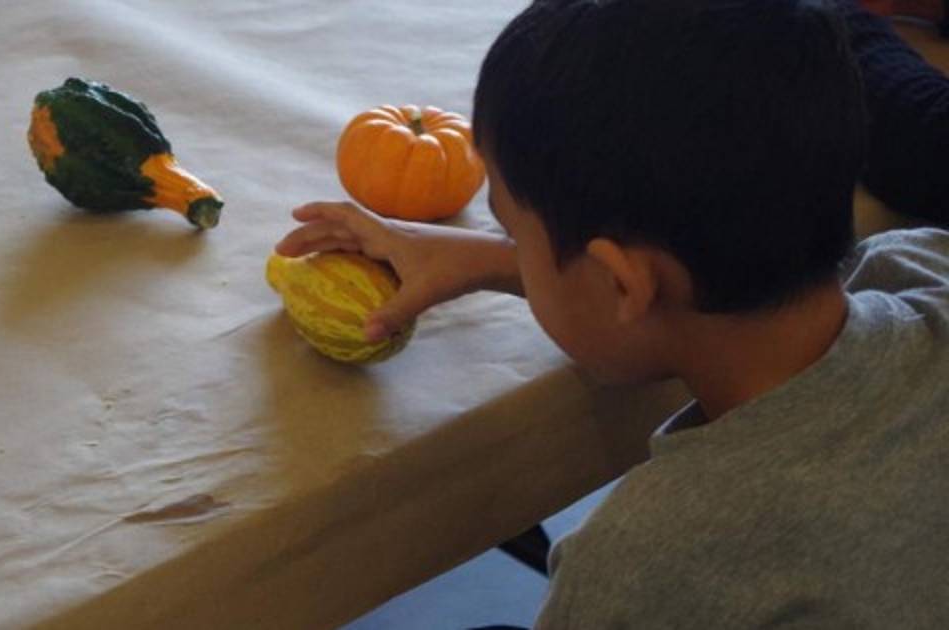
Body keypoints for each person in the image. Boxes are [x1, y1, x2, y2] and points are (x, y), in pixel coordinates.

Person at [276, 0, 949, 627]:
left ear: (621, 283)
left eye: (513, 230)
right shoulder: (923, 266)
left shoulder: (646, 560)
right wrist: (496, 259)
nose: (511, 247)